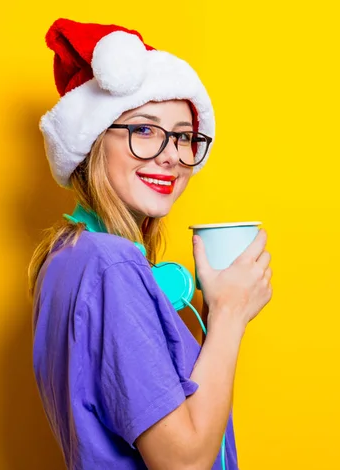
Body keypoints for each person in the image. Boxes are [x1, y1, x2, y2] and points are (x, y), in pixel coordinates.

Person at [27, 18, 273, 469]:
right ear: (94, 141)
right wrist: (230, 313)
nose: (171, 154)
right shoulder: (112, 267)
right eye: (144, 129)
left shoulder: (66, 256)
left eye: (183, 135)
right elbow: (184, 462)